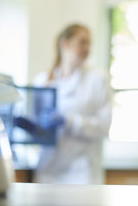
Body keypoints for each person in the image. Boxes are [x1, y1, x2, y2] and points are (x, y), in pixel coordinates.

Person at [33, 23, 112, 184]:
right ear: (65, 44)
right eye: (82, 42)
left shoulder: (98, 79)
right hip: (48, 171)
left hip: (82, 172)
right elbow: (36, 127)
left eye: (89, 43)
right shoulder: (42, 81)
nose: (87, 48)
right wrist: (31, 127)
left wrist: (68, 121)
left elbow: (103, 127)